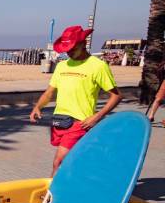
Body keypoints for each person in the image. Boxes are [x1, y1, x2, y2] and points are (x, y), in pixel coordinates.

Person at [30, 25, 122, 177]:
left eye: (72, 48)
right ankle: (87, 184)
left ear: (83, 44)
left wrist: (97, 116)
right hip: (59, 121)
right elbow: (49, 92)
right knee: (72, 161)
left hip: (80, 123)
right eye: (66, 49)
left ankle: (51, 197)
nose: (69, 52)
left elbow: (117, 96)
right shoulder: (61, 66)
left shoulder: (98, 66)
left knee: (58, 162)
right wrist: (38, 106)